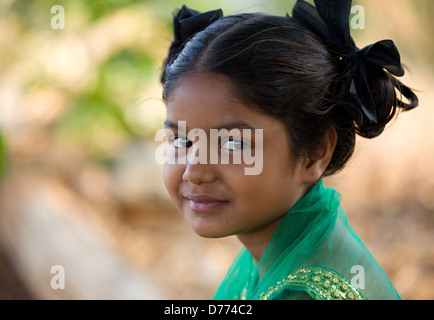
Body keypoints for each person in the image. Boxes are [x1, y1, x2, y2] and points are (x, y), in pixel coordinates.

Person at [159, 0, 418, 300]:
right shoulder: (275, 252)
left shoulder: (305, 292)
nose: (195, 171)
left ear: (315, 153)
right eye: (180, 140)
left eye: (232, 144)